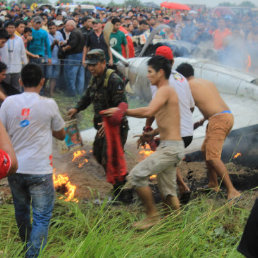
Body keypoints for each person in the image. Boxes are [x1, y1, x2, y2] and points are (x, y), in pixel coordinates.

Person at [102, 56, 184, 230]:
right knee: (168, 191)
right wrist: (152, 133)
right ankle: (177, 228)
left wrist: (122, 111)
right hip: (171, 146)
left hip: (170, 149)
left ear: (160, 72)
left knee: (137, 175)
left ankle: (152, 217)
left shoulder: (164, 90)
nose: (147, 76)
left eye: (150, 72)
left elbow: (149, 111)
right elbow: (169, 121)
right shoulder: (165, 91)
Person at [0, 63, 65, 257]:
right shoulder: (49, 104)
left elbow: (1, 130)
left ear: (20, 82)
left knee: (21, 210)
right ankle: (32, 254)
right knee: (42, 216)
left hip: (15, 169)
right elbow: (61, 134)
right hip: (40, 171)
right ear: (42, 82)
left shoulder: (8, 103)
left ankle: (27, 247)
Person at [68, 49, 129, 199]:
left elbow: (122, 106)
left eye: (94, 65)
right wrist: (76, 108)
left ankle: (121, 192)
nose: (91, 68)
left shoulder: (114, 80)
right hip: (103, 128)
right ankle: (120, 182)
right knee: (97, 153)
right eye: (89, 65)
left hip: (116, 127)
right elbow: (88, 96)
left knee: (111, 158)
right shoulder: (95, 78)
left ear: (103, 63)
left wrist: (110, 122)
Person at [176, 63, 240, 201]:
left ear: (181, 76)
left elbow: (188, 108)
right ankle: (213, 183)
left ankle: (232, 191)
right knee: (206, 150)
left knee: (213, 157)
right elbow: (211, 103)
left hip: (218, 120)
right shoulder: (207, 82)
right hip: (225, 116)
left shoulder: (187, 86)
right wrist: (201, 121)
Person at [141, 46, 194, 202]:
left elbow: (153, 108)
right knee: (168, 165)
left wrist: (147, 129)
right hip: (187, 133)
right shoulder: (181, 78)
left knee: (162, 171)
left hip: (174, 135)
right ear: (172, 61)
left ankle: (172, 207)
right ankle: (183, 190)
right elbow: (191, 106)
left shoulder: (158, 79)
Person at [0, 21, 28, 92]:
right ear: (5, 28)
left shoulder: (19, 40)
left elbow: (23, 53)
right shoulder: (2, 39)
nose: (10, 29)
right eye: (9, 28)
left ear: (15, 29)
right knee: (4, 89)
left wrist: (26, 65)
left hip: (16, 68)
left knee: (16, 88)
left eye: (12, 28)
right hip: (4, 70)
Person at [60, 20, 85, 96]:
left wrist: (64, 48)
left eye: (67, 25)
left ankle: (71, 92)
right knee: (80, 75)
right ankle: (80, 92)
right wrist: (66, 41)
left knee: (71, 75)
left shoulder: (73, 33)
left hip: (73, 55)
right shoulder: (79, 31)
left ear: (71, 26)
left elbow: (72, 44)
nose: (65, 27)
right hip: (80, 55)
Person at [47, 22, 64, 97]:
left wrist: (60, 43)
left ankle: (51, 91)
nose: (52, 30)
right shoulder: (47, 36)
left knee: (54, 76)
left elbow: (62, 43)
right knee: (47, 76)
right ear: (48, 29)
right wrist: (53, 43)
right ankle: (44, 90)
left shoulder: (59, 34)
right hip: (49, 58)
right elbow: (48, 49)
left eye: (53, 28)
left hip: (57, 58)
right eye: (50, 28)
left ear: (56, 28)